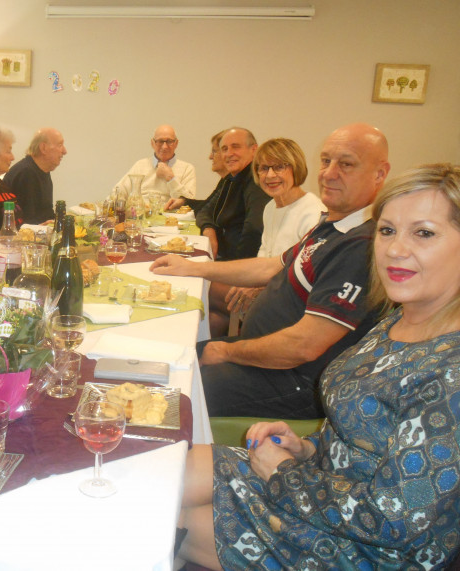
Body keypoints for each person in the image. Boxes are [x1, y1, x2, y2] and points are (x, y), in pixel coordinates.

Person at [177, 163, 460, 570]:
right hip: (318, 486)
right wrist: (306, 448)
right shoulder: (396, 321)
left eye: (424, 233)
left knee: (167, 517)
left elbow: (396, 520)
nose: (395, 249)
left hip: (369, 549)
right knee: (168, 471)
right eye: (387, 230)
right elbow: (362, 430)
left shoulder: (450, 370)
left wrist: (286, 475)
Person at [151, 123, 391, 419]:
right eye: (326, 161)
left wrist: (226, 352)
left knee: (167, 395)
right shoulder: (331, 226)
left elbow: (304, 346)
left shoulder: (361, 245)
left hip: (293, 380)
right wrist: (192, 267)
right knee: (167, 359)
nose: (329, 173)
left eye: (346, 164)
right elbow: (270, 265)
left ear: (380, 174)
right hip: (261, 355)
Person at [209, 138, 325, 336]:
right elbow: (264, 256)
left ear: (295, 167)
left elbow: (307, 276)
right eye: (263, 168)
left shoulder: (312, 211)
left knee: (206, 288)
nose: (270, 175)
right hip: (267, 289)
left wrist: (259, 287)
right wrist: (250, 283)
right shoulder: (270, 207)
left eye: (279, 167)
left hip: (290, 301)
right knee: (211, 315)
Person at [194, 127, 271, 260]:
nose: (229, 154)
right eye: (224, 149)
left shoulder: (256, 180)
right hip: (223, 257)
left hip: (239, 265)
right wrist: (208, 229)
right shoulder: (231, 179)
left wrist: (232, 270)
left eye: (235, 147)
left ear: (254, 150)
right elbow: (205, 211)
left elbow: (253, 231)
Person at [114, 124, 197, 205]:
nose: (164, 147)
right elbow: (118, 192)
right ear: (152, 143)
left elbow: (189, 203)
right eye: (160, 141)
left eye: (169, 141)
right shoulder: (140, 165)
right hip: (142, 215)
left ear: (176, 143)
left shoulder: (187, 168)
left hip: (172, 217)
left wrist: (171, 178)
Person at [2, 127, 66, 225]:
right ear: (43, 148)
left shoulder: (42, 170)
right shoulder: (26, 173)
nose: (64, 151)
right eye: (60, 145)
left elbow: (46, 213)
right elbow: (27, 222)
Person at [165, 130, 228, 213]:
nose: (210, 157)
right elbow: (208, 205)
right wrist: (183, 202)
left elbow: (210, 211)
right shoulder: (226, 181)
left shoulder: (237, 182)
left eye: (214, 151)